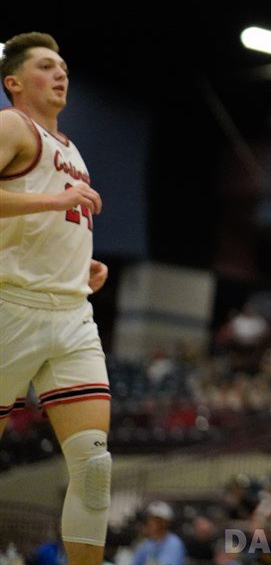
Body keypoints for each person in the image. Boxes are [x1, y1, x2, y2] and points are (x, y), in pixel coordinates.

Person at [0, 32, 111, 565]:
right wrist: (55, 200)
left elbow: (48, 221)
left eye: (63, 65)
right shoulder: (11, 125)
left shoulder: (71, 148)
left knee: (94, 468)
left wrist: (79, 264)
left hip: (71, 314)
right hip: (9, 306)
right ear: (15, 82)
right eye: (46, 66)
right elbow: (47, 203)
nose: (60, 73)